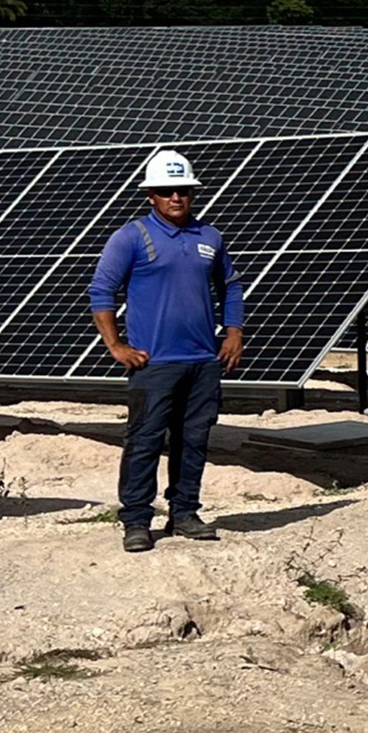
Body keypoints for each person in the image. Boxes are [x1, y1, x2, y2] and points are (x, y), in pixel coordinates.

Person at [88, 149, 243, 553]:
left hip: (202, 362)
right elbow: (101, 292)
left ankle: (185, 512)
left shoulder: (210, 237)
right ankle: (137, 519)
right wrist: (116, 345)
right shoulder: (131, 238)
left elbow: (232, 286)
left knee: (194, 439)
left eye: (183, 190)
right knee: (144, 440)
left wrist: (233, 333)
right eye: (166, 191)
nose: (176, 197)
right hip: (154, 364)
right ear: (150, 195)